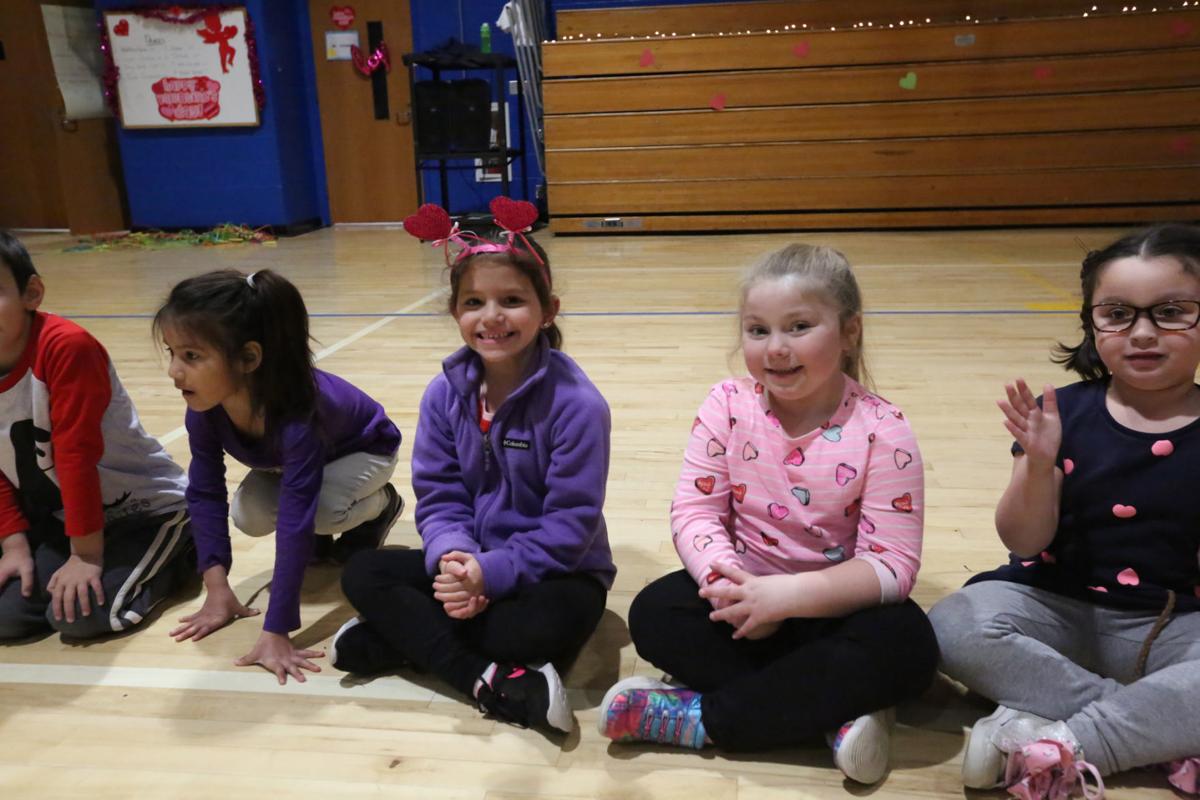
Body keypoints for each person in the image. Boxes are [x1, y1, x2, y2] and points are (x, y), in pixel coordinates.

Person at [598, 243, 937, 785]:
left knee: (909, 645)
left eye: (799, 327)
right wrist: (727, 583)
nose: (776, 348)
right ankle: (829, 714)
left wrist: (786, 598)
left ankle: (703, 720)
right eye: (758, 331)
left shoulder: (883, 430)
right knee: (655, 612)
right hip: (744, 605)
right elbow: (695, 511)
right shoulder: (727, 405)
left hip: (833, 613)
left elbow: (892, 565)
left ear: (849, 332)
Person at [929, 224, 1200, 799]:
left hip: (1178, 628)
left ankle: (1059, 738)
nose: (1143, 333)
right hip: (1061, 613)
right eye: (1118, 314)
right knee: (952, 624)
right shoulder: (1064, 413)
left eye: (1172, 312)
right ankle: (1152, 730)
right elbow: (1025, 542)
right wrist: (1036, 462)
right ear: (1091, 323)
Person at [334, 199, 615, 734]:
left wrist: (493, 572)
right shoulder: (444, 393)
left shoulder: (579, 405)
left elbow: (569, 527)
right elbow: (439, 495)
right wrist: (454, 558)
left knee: (536, 630)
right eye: (474, 302)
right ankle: (486, 678)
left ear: (547, 309)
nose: (492, 317)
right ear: (455, 311)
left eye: (512, 300)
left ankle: (401, 640)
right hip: (470, 564)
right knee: (363, 570)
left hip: (556, 574)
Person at [157, 269, 401, 685]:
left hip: (365, 451)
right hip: (294, 465)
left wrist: (277, 630)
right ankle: (333, 526)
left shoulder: (295, 416)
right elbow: (204, 492)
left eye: (192, 356)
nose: (174, 372)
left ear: (249, 359)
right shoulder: (205, 408)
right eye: (172, 353)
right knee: (248, 515)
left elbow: (295, 516)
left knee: (320, 513)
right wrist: (217, 590)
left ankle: (382, 504)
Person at [0, 230, 193, 641]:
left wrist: (85, 556)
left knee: (81, 618)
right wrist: (14, 544)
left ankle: (185, 550)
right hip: (64, 519)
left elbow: (75, 456)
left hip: (144, 513)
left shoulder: (66, 347)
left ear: (31, 293)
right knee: (7, 618)